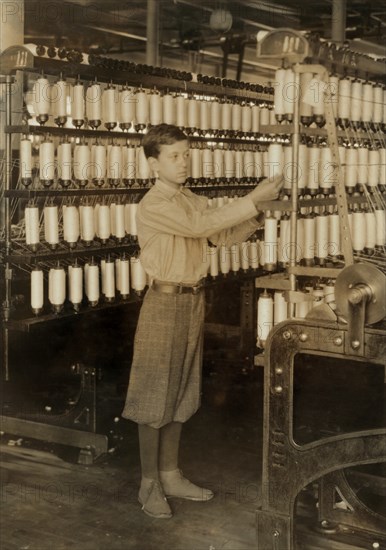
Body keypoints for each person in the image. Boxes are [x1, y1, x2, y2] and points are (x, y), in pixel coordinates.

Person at [122, 123, 283, 519]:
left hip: (192, 302)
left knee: (180, 391)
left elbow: (220, 237)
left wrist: (258, 212)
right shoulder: (153, 205)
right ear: (152, 164)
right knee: (153, 393)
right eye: (174, 156)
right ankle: (148, 485)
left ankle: (171, 474)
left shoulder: (190, 199)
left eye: (187, 154)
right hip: (163, 303)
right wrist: (251, 198)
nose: (183, 162)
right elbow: (200, 227)